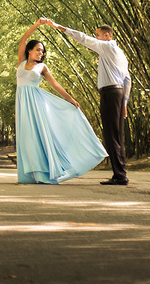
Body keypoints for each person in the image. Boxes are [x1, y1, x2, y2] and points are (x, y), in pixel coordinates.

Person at [14, 18, 107, 184]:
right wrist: (37, 25)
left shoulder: (42, 67)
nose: (41, 53)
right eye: (37, 50)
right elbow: (23, 39)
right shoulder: (21, 61)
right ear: (29, 50)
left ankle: (44, 173)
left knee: (37, 137)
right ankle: (29, 174)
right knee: (26, 137)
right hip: (22, 103)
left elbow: (55, 85)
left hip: (36, 105)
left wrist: (71, 99)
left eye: (42, 51)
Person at [48, 20, 131, 185]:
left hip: (109, 93)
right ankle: (120, 173)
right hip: (118, 93)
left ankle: (120, 175)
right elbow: (128, 80)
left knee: (110, 135)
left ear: (107, 36)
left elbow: (83, 38)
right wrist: (124, 103)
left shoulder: (107, 47)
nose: (96, 38)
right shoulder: (120, 53)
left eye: (98, 35)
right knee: (117, 135)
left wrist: (60, 27)